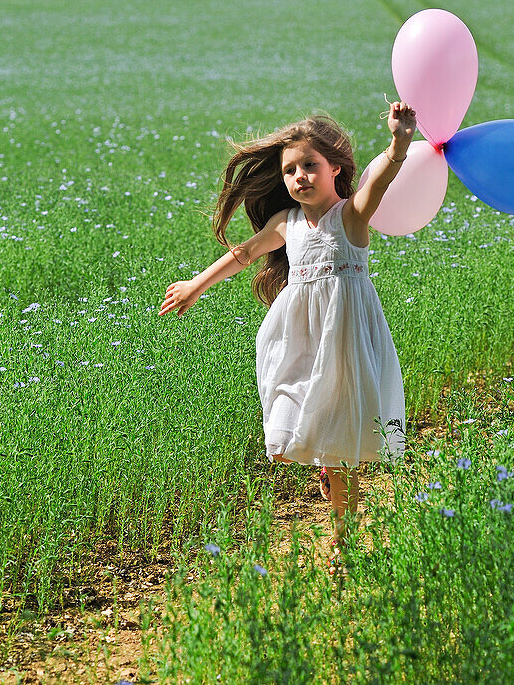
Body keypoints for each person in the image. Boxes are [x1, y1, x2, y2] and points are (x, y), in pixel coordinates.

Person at [159, 102, 416, 576]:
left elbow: (379, 181)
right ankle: (324, 465)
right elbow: (244, 254)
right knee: (286, 418)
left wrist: (399, 143)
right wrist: (195, 285)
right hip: (297, 340)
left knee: (344, 443)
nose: (299, 176)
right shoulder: (286, 223)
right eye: (290, 170)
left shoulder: (351, 217)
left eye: (310, 166)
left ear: (335, 169)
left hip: (345, 340)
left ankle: (343, 539)